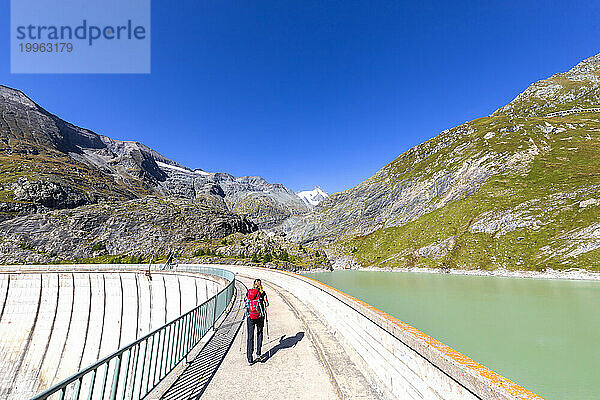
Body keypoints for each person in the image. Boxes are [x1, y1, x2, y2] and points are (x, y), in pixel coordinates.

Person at [246, 279, 269, 364]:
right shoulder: (263, 293)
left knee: (250, 337)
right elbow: (267, 304)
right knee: (259, 334)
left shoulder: (249, 292)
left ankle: (249, 359)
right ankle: (258, 354)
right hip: (260, 316)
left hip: (250, 317)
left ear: (253, 284)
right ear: (260, 285)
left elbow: (246, 302)